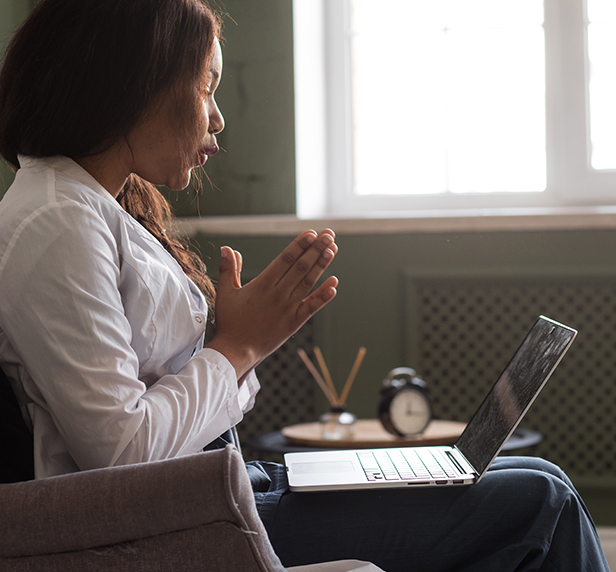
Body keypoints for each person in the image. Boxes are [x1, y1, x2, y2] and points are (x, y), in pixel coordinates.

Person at [0, 1, 609, 571]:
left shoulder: (87, 209)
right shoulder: (57, 223)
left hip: (224, 485)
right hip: (171, 525)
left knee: (535, 476)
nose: (217, 115)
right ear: (135, 84)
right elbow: (123, 456)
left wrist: (234, 346)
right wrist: (239, 346)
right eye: (206, 87)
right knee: (540, 502)